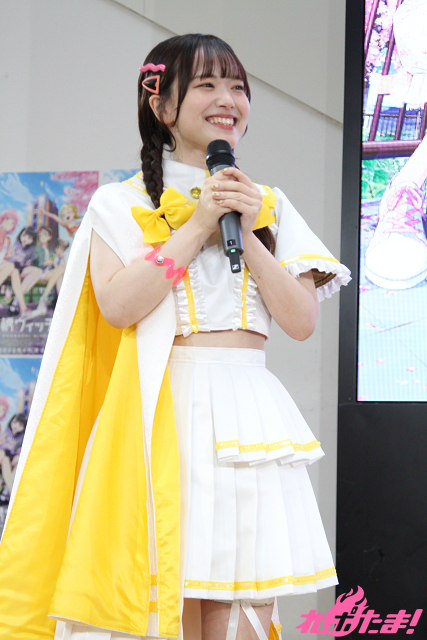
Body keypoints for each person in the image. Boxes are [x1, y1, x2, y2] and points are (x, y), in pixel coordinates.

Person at [0, 34, 350, 640]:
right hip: (165, 415)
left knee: (246, 604)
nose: (228, 100)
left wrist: (246, 228)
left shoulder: (268, 204)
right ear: (162, 106)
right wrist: (199, 223)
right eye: (207, 85)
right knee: (168, 603)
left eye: (237, 87)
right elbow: (118, 306)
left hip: (250, 419)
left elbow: (300, 321)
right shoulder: (119, 203)